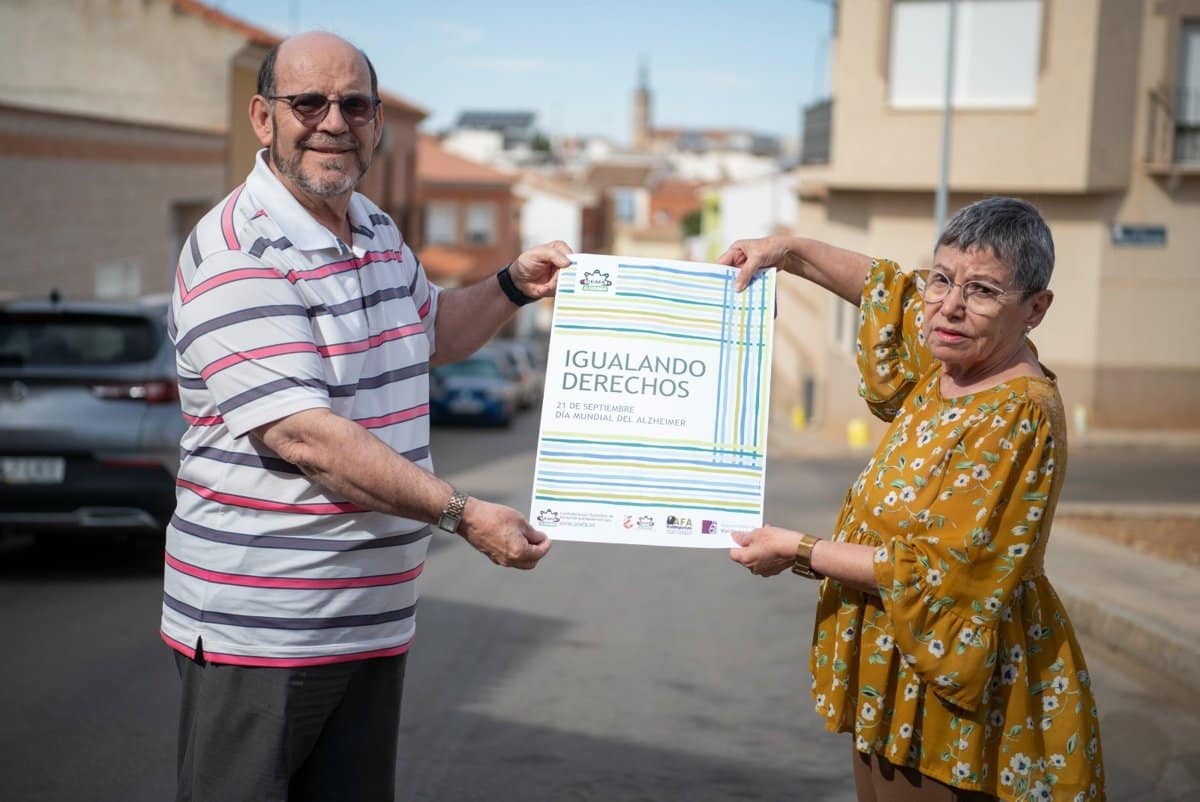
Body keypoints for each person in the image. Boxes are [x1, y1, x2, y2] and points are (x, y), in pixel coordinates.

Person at [163, 32, 571, 802]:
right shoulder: (238, 251)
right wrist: (460, 512)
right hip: (264, 634)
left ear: (378, 121)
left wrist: (513, 284)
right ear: (262, 117)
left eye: (354, 104)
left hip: (373, 626)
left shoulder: (376, 228)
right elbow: (308, 439)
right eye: (308, 102)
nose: (333, 122)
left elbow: (436, 333)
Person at [722, 198, 1106, 802]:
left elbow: (933, 572)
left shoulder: (1016, 412)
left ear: (1035, 308)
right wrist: (785, 252)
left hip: (955, 685)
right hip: (894, 674)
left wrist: (800, 550)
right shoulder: (953, 357)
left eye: (981, 291)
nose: (949, 305)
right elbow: (882, 287)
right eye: (942, 279)